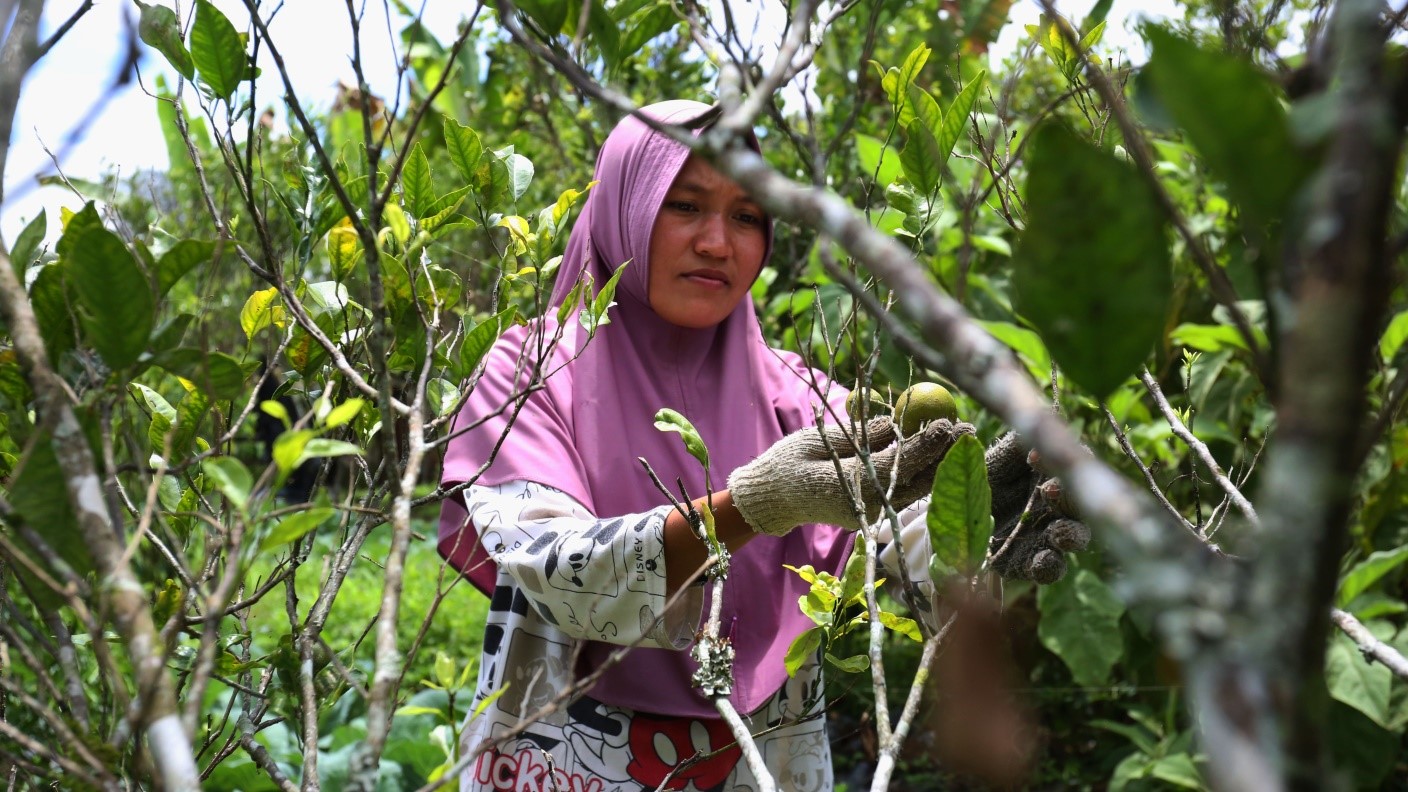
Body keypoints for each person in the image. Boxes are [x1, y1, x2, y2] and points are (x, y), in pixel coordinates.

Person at [438, 100, 1086, 792]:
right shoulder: (529, 373)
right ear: (625, 205)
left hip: (762, 765)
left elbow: (885, 541)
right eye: (685, 206)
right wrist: (756, 503)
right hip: (564, 760)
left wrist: (976, 530)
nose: (718, 242)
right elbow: (553, 571)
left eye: (747, 216)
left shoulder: (802, 396)